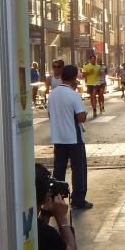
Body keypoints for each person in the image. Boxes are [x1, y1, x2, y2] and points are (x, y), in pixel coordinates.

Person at [48, 65, 91, 210]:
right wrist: (85, 114)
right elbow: (81, 117)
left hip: (58, 138)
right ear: (74, 78)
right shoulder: (73, 94)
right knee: (78, 169)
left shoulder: (52, 94)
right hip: (73, 138)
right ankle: (78, 199)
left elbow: (50, 115)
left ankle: (57, 198)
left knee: (58, 170)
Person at [81, 54, 101, 119]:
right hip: (89, 83)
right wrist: (89, 72)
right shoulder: (86, 67)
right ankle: (94, 109)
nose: (93, 60)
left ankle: (95, 107)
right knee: (92, 97)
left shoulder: (98, 67)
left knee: (93, 95)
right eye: (92, 59)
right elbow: (83, 76)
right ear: (89, 60)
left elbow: (99, 74)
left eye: (94, 59)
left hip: (96, 83)